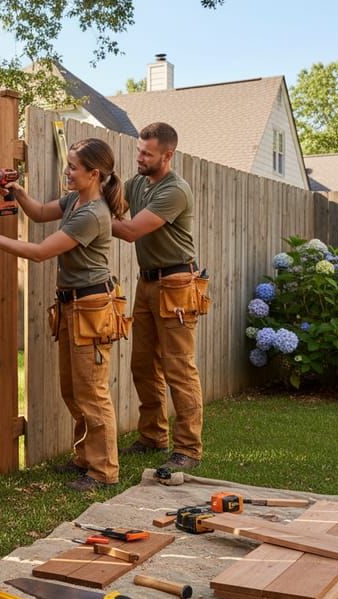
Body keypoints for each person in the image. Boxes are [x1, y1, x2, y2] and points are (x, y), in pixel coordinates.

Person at [0, 138, 127, 491]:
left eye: (72, 167)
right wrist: (18, 191)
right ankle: (85, 460)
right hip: (71, 305)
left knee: (93, 393)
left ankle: (104, 471)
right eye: (67, 165)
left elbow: (39, 253)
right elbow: (37, 212)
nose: (66, 172)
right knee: (72, 390)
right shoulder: (74, 200)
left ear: (93, 174)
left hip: (91, 309)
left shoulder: (92, 214)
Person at [111, 122, 204, 472]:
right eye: (139, 150)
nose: (139, 157)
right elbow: (115, 200)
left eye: (147, 153)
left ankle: (189, 448)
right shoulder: (137, 183)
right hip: (148, 283)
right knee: (142, 364)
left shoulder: (176, 190)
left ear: (168, 155)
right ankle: (153, 435)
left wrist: (89, 219)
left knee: (178, 367)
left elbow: (132, 230)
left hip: (177, 286)